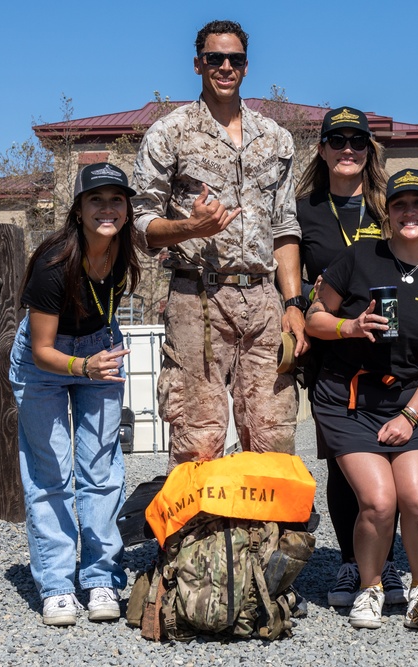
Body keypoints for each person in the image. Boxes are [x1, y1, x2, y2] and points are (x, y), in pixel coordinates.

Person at [131, 20, 304, 469]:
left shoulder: (276, 139)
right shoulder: (170, 132)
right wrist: (191, 228)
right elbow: (141, 223)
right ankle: (196, 537)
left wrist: (293, 302)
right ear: (198, 64)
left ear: (246, 67)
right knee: (197, 432)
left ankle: (270, 538)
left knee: (273, 430)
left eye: (235, 59)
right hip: (197, 298)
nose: (225, 66)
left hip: (264, 300)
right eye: (215, 58)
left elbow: (285, 227)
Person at [306, 169, 418, 629]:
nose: (410, 212)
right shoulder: (360, 257)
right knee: (379, 502)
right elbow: (313, 318)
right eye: (400, 205)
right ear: (389, 213)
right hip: (348, 398)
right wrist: (349, 327)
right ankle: (371, 585)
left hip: (408, 402)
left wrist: (411, 413)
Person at [9, 162, 141, 626]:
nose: (107, 209)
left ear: (126, 209)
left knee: (102, 468)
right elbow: (43, 349)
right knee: (51, 474)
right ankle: (58, 584)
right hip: (45, 361)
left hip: (99, 348)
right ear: (79, 210)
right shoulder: (52, 265)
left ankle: (101, 574)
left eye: (116, 200)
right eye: (96, 200)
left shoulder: (123, 253)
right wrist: (84, 365)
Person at [295, 107, 407, 608]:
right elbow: (289, 277)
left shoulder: (389, 206)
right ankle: (348, 563)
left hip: (391, 350)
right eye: (337, 140)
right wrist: (299, 297)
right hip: (332, 351)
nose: (347, 149)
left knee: (391, 456)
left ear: (369, 150)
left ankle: (387, 566)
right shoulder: (303, 209)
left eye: (357, 141)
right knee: (343, 463)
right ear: (321, 149)